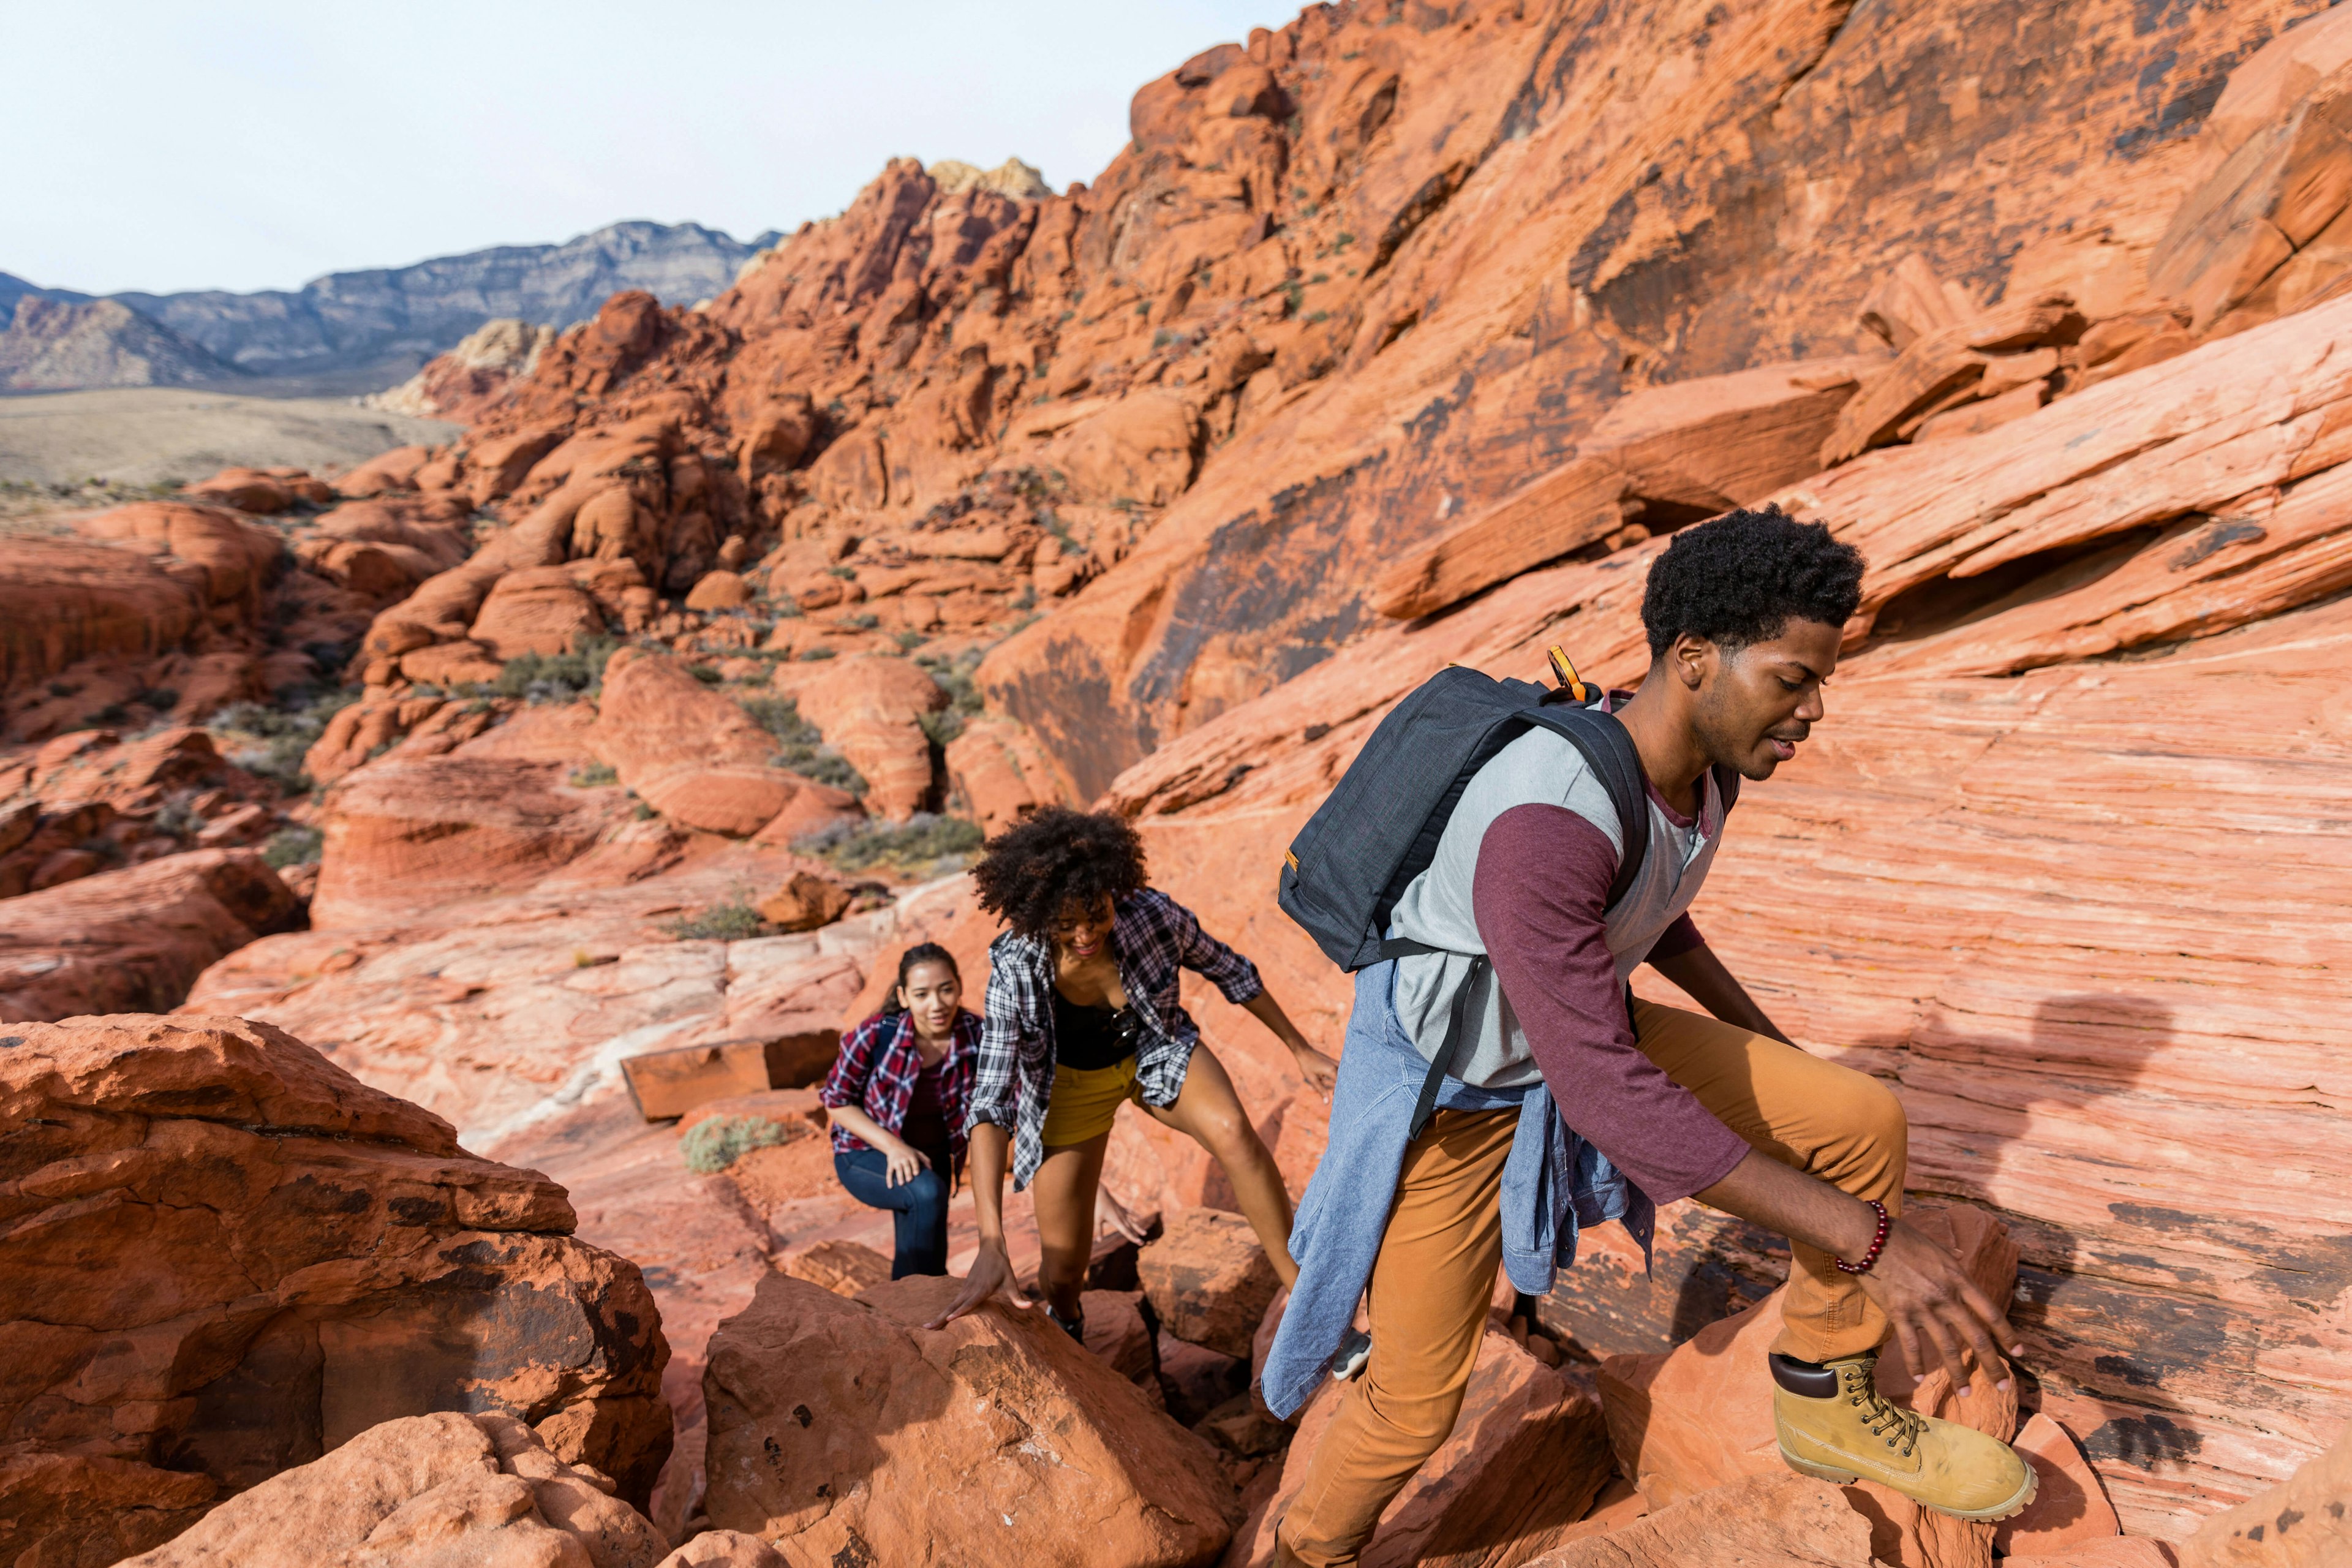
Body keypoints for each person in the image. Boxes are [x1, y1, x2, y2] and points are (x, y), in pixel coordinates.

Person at [1264, 508, 2037, 1567]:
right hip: (1453, 1095)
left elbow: (1656, 904)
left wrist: (1772, 1049)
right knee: (1414, 1399)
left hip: (1567, 1041)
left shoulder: (1708, 761)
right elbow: (1609, 1098)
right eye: (1793, 680)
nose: (1812, 714)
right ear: (1693, 661)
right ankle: (1308, 1548)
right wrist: (1872, 1242)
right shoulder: (1546, 822)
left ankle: (1824, 1397)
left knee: (1853, 1118)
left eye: (1822, 682)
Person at [928, 806, 1340, 1340]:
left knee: (1235, 1134)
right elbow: (991, 1098)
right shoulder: (1017, 964)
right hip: (1067, 1090)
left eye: (1095, 913)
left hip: (1155, 1052)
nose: (1084, 934)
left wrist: (1299, 1048)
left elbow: (1230, 970)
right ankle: (1069, 1318)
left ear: (1112, 891)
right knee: (1063, 1270)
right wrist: (991, 1239)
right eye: (1066, 922)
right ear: (1038, 914)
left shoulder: (1150, 915)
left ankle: (1307, 1305)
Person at [819, 943, 979, 1280]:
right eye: (922, 994)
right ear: (904, 997)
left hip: (934, 1156)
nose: (937, 1005)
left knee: (925, 1237)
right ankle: (924, 1305)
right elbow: (836, 1100)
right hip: (866, 1151)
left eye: (946, 990)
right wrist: (894, 1147)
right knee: (927, 1194)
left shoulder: (978, 1036)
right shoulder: (876, 1035)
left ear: (960, 986)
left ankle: (911, 1309)